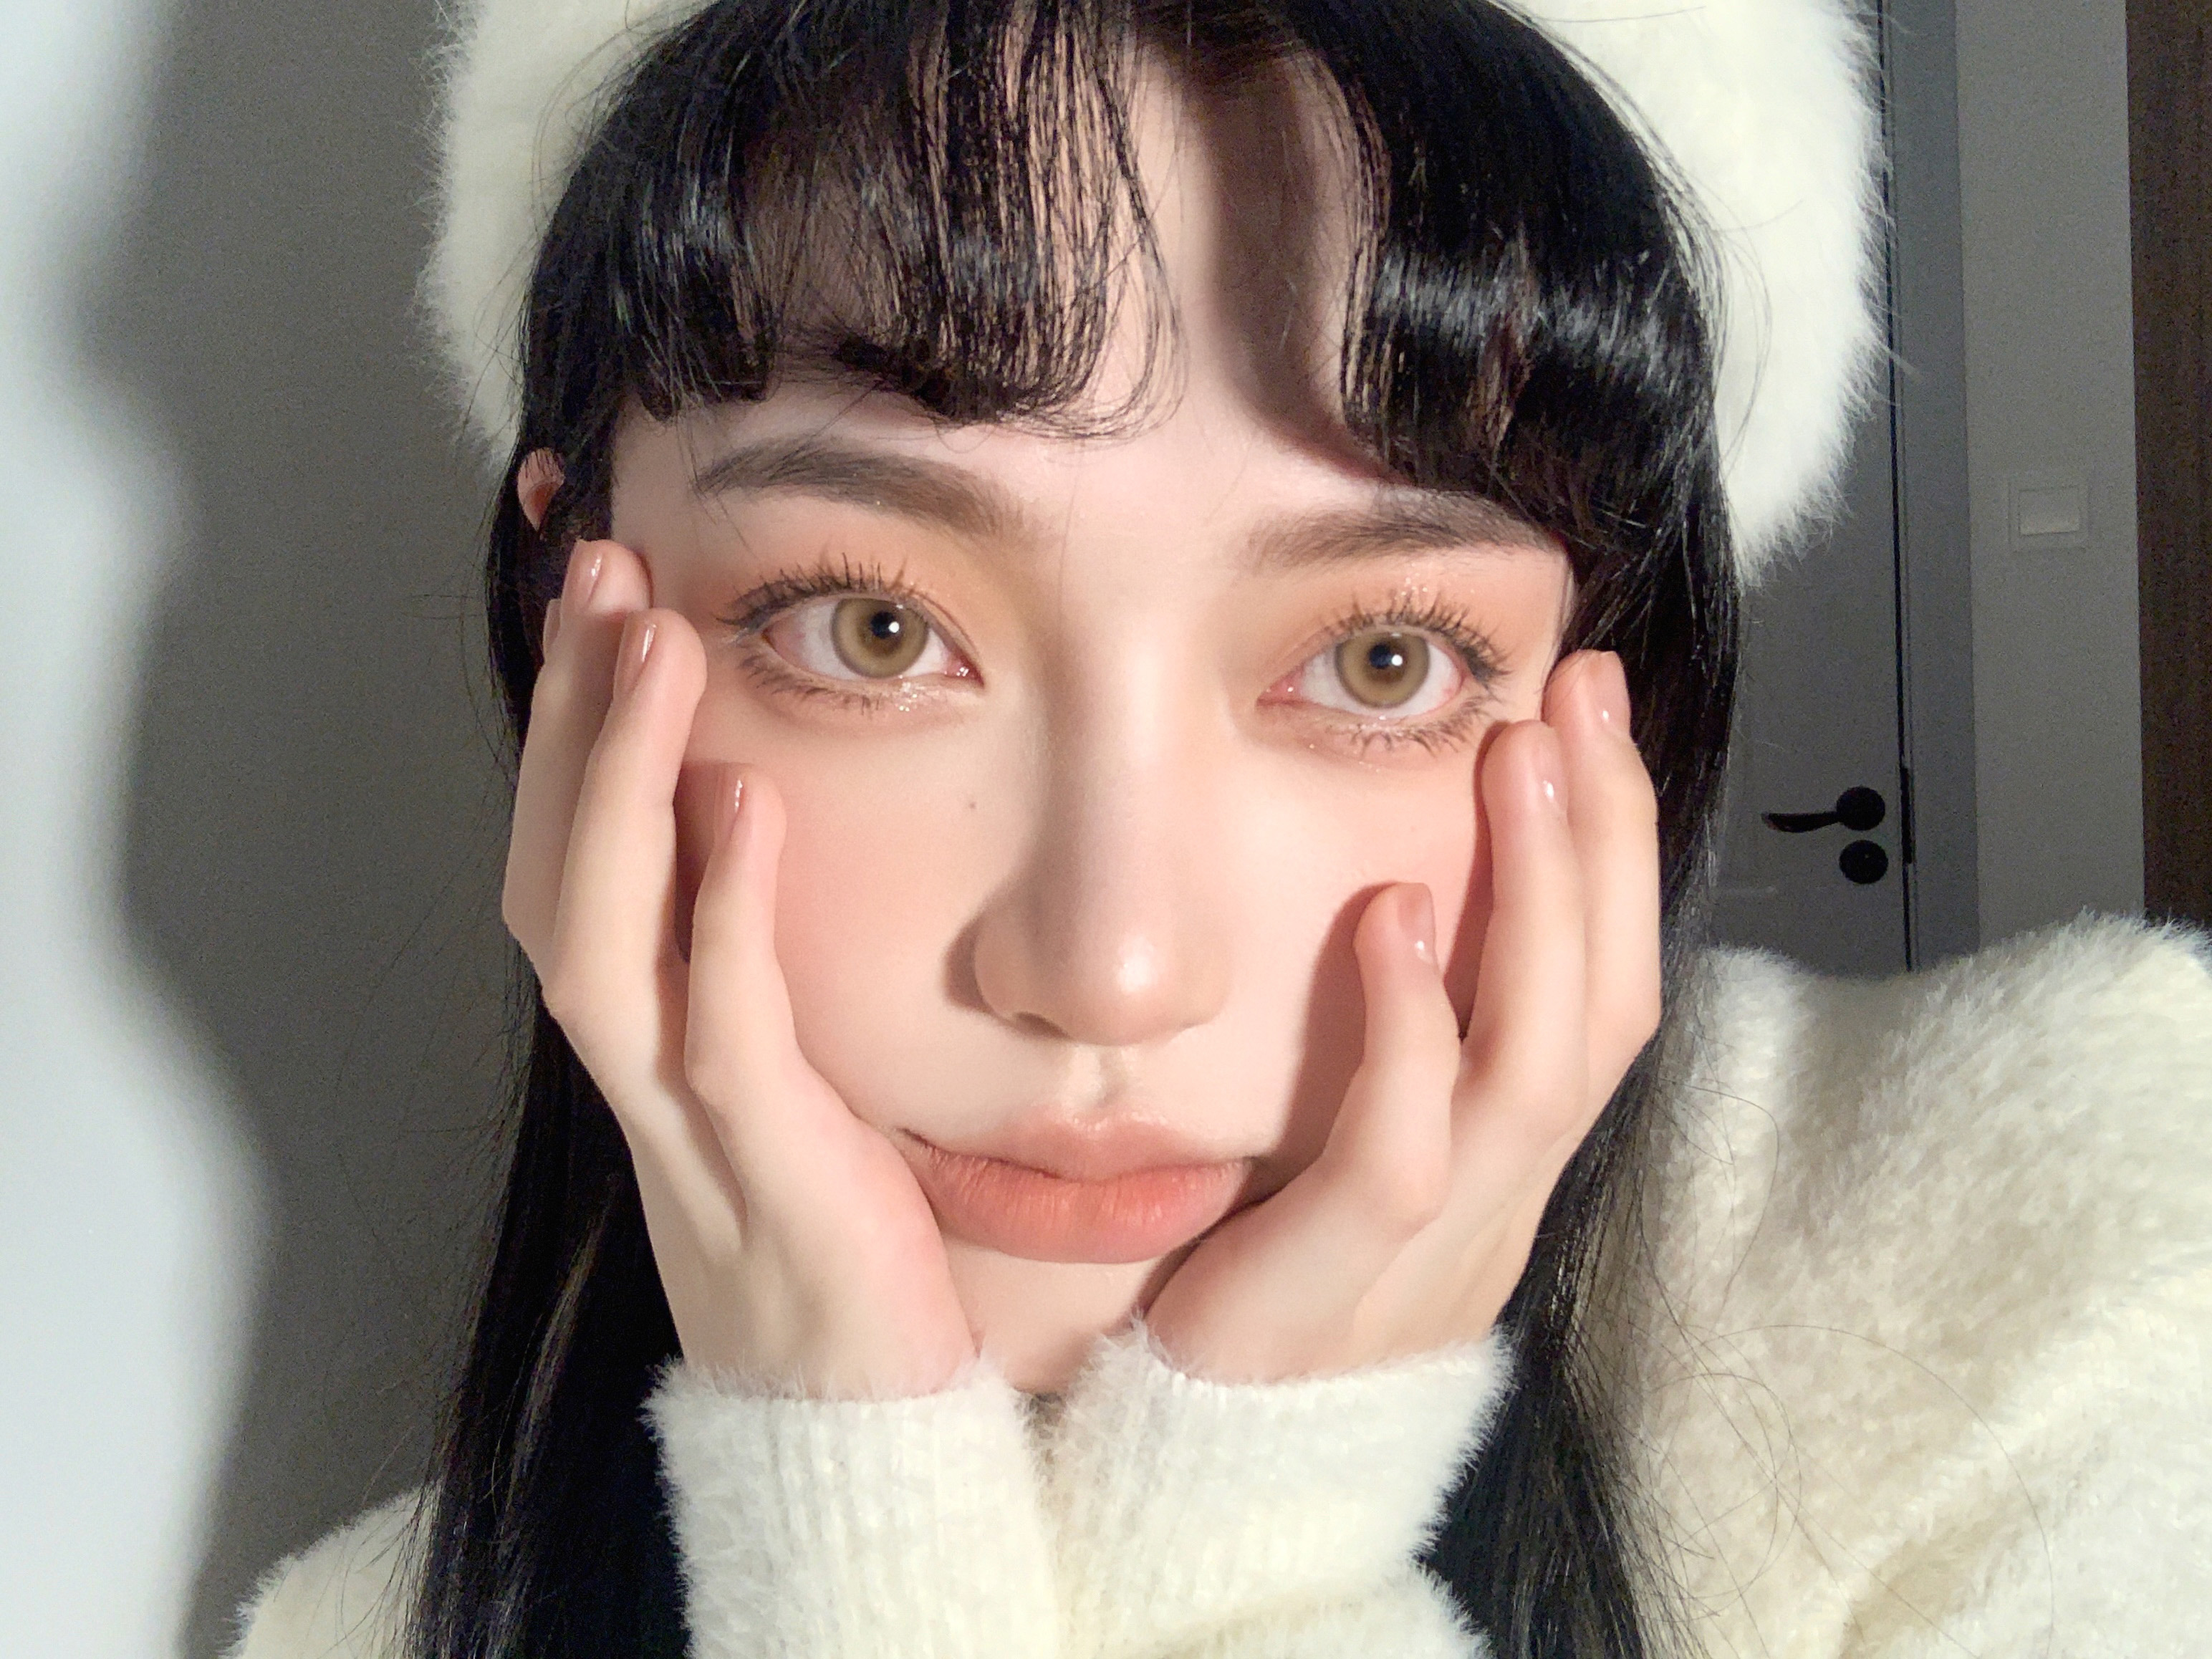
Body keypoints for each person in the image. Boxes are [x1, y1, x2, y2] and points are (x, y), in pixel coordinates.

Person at [231, 1, 2212, 1655]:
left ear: (1615, 701)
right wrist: (851, 1501)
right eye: (872, 627)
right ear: (575, 627)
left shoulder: (2070, 1280)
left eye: (1378, 658)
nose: (1110, 969)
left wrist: (1240, 1517)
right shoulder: (373, 1629)